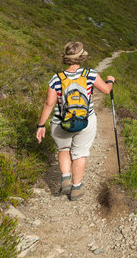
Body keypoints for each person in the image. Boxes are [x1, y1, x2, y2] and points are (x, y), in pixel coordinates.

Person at [35, 41, 115, 200]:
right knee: (79, 154)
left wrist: (41, 125)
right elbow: (106, 90)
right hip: (85, 121)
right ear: (82, 57)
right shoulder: (90, 74)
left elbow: (49, 103)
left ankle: (65, 178)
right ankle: (76, 188)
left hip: (60, 122)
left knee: (63, 149)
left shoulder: (56, 78)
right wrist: (110, 81)